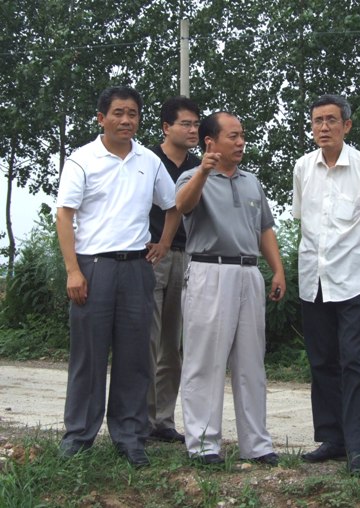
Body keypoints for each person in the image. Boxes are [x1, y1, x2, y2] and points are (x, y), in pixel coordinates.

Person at [55, 85, 178, 467]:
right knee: (88, 356)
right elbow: (65, 215)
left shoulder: (149, 161)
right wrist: (73, 270)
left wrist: (163, 243)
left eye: (133, 114)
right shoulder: (82, 160)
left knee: (135, 357)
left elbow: (172, 205)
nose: (126, 120)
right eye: (118, 113)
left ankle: (130, 437)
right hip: (93, 268)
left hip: (137, 268)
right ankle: (79, 436)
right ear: (101, 118)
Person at [292, 94, 360, 475]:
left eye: (331, 120)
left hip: (354, 279)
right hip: (314, 278)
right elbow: (302, 217)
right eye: (317, 121)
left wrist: (358, 254)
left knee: (355, 362)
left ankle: (357, 447)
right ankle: (332, 438)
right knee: (322, 360)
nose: (324, 127)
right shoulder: (303, 167)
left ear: (347, 125)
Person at [176, 111, 284, 466]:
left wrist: (277, 270)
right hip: (209, 271)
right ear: (211, 142)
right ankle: (204, 444)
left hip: (248, 273)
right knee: (205, 361)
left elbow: (264, 228)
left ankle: (257, 444)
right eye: (233, 136)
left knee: (251, 363)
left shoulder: (252, 182)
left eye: (242, 136)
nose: (240, 142)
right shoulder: (191, 177)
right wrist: (204, 172)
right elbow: (183, 206)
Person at [147, 96, 201, 444]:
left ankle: (163, 420)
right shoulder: (147, 161)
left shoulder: (200, 167)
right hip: (150, 256)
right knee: (146, 341)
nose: (193, 130)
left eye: (196, 124)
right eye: (186, 124)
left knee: (173, 344)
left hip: (188, 257)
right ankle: (139, 418)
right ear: (167, 127)